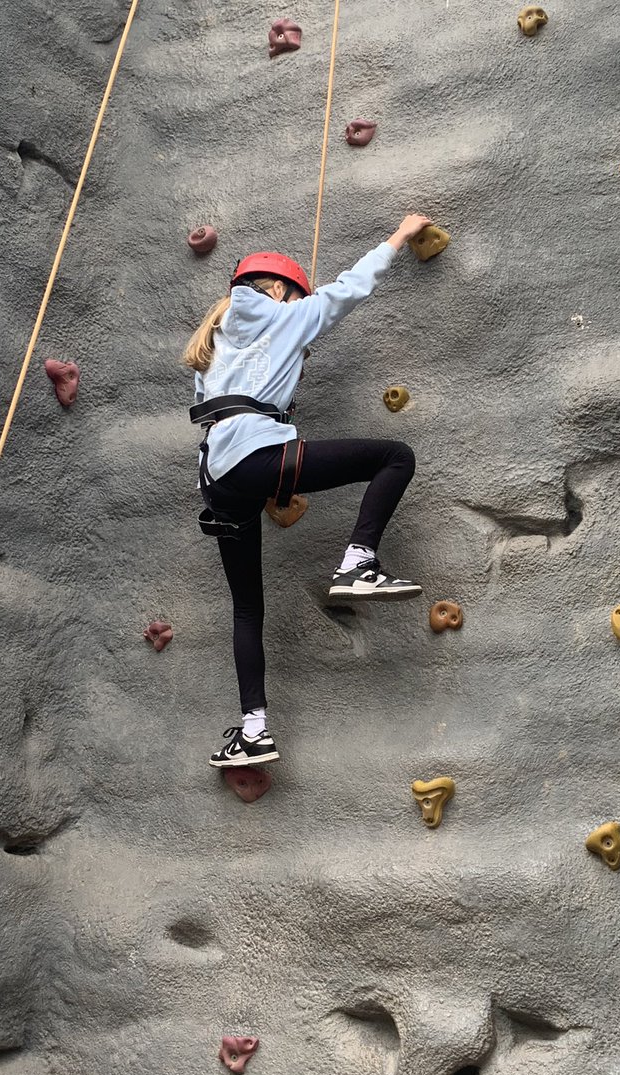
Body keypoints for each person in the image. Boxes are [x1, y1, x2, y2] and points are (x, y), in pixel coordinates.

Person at [183, 213, 434, 769]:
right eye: (296, 296)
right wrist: (397, 234)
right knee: (396, 457)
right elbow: (350, 289)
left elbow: (237, 404)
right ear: (278, 291)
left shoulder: (214, 345)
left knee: (248, 608)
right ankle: (358, 561)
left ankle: (254, 730)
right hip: (256, 456)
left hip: (219, 481)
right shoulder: (282, 315)